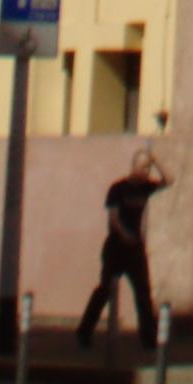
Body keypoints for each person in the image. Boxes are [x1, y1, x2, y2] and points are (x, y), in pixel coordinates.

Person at [76, 150, 168, 361]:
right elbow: (113, 218)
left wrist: (158, 161)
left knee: (143, 292)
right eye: (143, 167)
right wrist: (126, 236)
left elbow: (169, 180)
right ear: (134, 166)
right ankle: (84, 331)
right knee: (105, 290)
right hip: (116, 247)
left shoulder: (146, 188)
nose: (146, 171)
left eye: (148, 168)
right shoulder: (118, 188)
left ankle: (149, 339)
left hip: (135, 249)